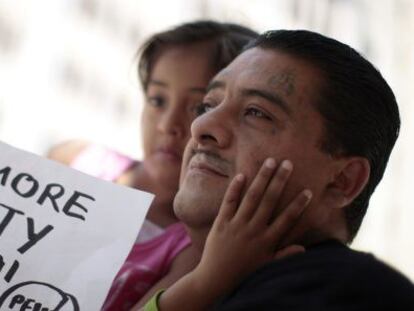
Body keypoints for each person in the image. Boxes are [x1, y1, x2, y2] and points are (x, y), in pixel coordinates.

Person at [138, 29, 414, 310]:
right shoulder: (176, 278)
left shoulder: (353, 292)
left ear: (342, 180)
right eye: (207, 105)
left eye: (256, 112)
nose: (200, 126)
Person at [47, 21, 259, 310]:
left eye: (200, 107)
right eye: (158, 100)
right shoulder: (75, 161)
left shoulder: (197, 250)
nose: (167, 125)